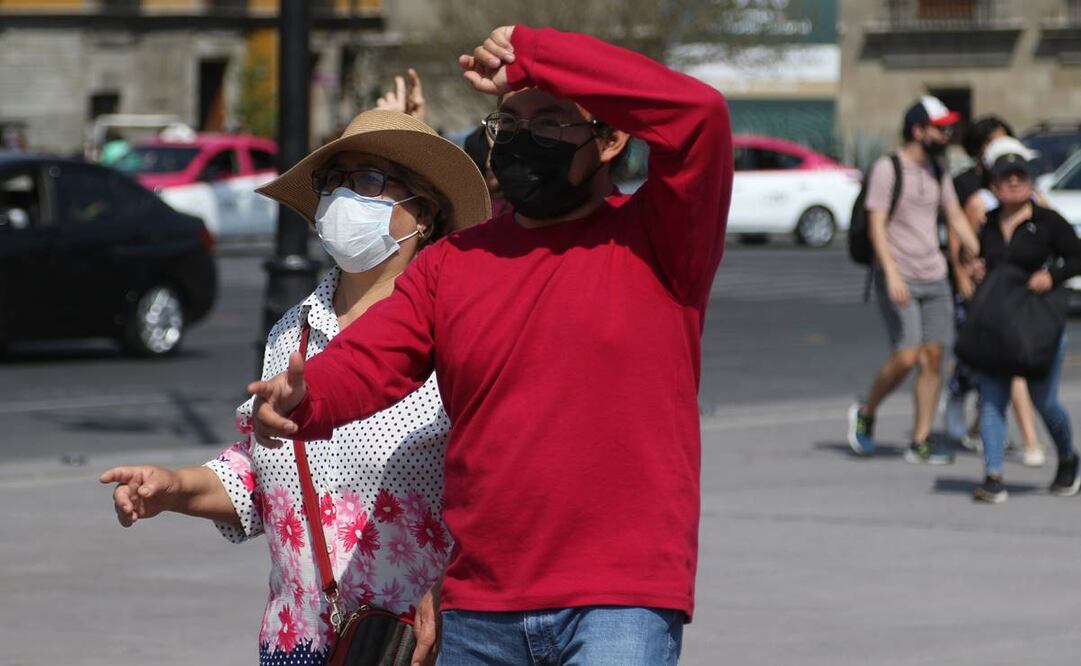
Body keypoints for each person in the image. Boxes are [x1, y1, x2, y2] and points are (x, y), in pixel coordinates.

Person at [248, 24, 731, 665]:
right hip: (480, 608)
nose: (526, 139)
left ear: (611, 138)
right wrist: (308, 396)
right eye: (511, 121)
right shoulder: (454, 263)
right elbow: (371, 359)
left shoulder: (660, 241)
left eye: (552, 121)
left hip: (620, 599)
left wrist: (537, 51)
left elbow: (699, 115)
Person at [100, 107, 491, 665]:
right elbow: (264, 475)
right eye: (334, 182)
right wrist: (174, 488)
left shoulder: (456, 336)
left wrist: (452, 590)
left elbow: (502, 486)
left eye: (368, 180)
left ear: (422, 213)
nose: (341, 198)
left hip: (416, 645)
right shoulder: (293, 332)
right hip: (297, 641)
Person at [847, 96, 980, 463]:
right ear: (918, 130)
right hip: (900, 273)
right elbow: (876, 224)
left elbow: (953, 214)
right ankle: (866, 411)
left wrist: (976, 251)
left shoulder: (939, 169)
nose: (947, 133)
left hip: (934, 274)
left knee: (933, 358)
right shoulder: (889, 168)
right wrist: (890, 274)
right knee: (906, 357)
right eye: (940, 127)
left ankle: (920, 440)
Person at [969, 151, 1081, 502]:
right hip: (997, 322)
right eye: (1007, 178)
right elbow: (982, 261)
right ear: (995, 186)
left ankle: (1067, 457)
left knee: (1043, 400)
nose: (1014, 182)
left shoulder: (1048, 222)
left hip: (1038, 322)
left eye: (1021, 177)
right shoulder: (987, 222)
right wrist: (978, 271)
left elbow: (1077, 256)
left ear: (1030, 184)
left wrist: (1053, 276)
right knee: (991, 398)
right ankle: (993, 476)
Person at [946, 124, 1047, 467]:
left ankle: (980, 425)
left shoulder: (1036, 200)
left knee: (1001, 370)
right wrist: (965, 278)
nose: (1017, 176)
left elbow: (1059, 243)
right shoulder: (980, 203)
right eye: (1011, 169)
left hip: (1024, 299)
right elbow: (961, 246)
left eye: (1022, 169)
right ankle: (1027, 442)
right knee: (1006, 367)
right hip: (990, 298)